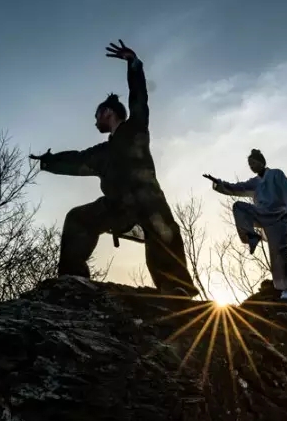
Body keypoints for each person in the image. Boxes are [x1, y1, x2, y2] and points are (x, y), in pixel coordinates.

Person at [29, 40, 200, 298]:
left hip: (147, 200)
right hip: (117, 206)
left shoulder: (136, 129)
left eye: (97, 114)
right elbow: (77, 160)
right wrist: (49, 162)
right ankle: (72, 278)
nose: (95, 120)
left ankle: (175, 286)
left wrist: (133, 64)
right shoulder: (102, 153)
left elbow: (139, 97)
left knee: (164, 229)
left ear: (108, 112)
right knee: (77, 218)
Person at [203, 149, 287, 299]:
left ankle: (285, 288)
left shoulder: (276, 174)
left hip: (279, 216)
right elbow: (236, 188)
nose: (252, 166)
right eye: (249, 165)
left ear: (262, 162)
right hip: (261, 214)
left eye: (254, 163)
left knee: (280, 253)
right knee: (239, 207)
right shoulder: (254, 182)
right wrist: (218, 183)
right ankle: (251, 237)